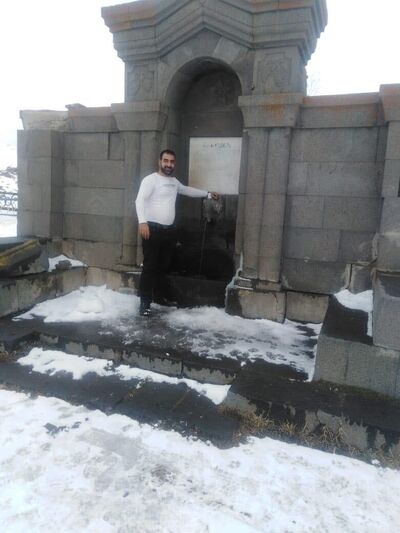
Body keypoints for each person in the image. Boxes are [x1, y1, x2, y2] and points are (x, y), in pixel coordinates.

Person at [135, 149, 219, 317]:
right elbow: (139, 200)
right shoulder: (150, 180)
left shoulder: (174, 182)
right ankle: (144, 303)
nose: (169, 164)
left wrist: (208, 194)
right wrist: (142, 222)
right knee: (150, 267)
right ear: (160, 162)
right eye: (166, 161)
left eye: (172, 162)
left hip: (169, 232)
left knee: (163, 266)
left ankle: (159, 297)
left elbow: (187, 190)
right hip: (152, 230)